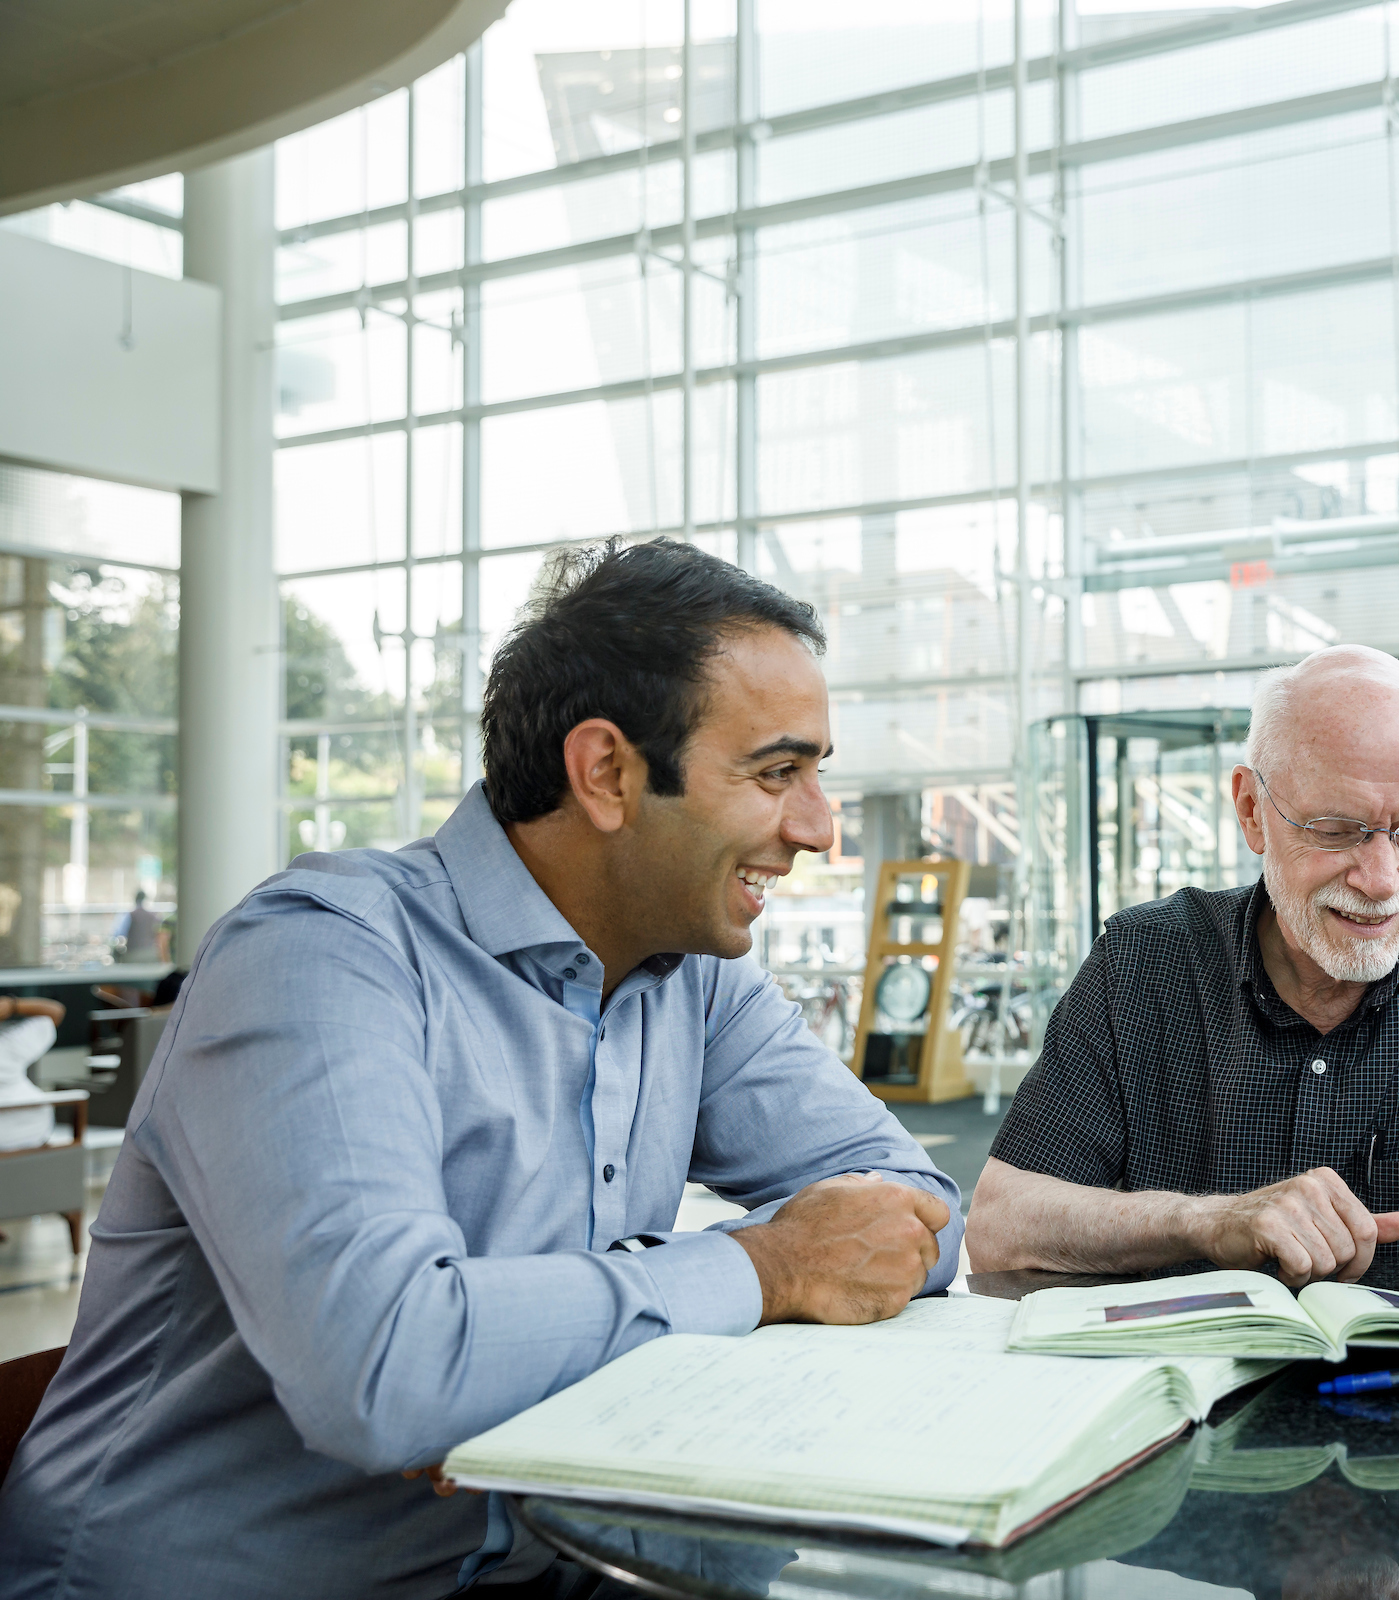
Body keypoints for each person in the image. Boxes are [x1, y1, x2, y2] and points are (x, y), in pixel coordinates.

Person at [0, 539, 963, 1600]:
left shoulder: (691, 974)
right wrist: (768, 1268)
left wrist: (518, 1336)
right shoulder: (321, 954)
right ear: (605, 772)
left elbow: (919, 1209)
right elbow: (390, 1374)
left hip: (550, 1569)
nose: (820, 827)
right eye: (777, 772)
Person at [969, 645, 1399, 1308]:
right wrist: (1209, 1223)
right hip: (1181, 1393)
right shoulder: (1145, 964)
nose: (1379, 880)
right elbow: (1001, 1227)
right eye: (1337, 830)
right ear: (1252, 810)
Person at [0, 994, 67, 1153]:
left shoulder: (8, 1045)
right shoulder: (9, 1045)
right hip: (35, 1130)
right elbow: (55, 1012)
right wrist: (13, 1005)